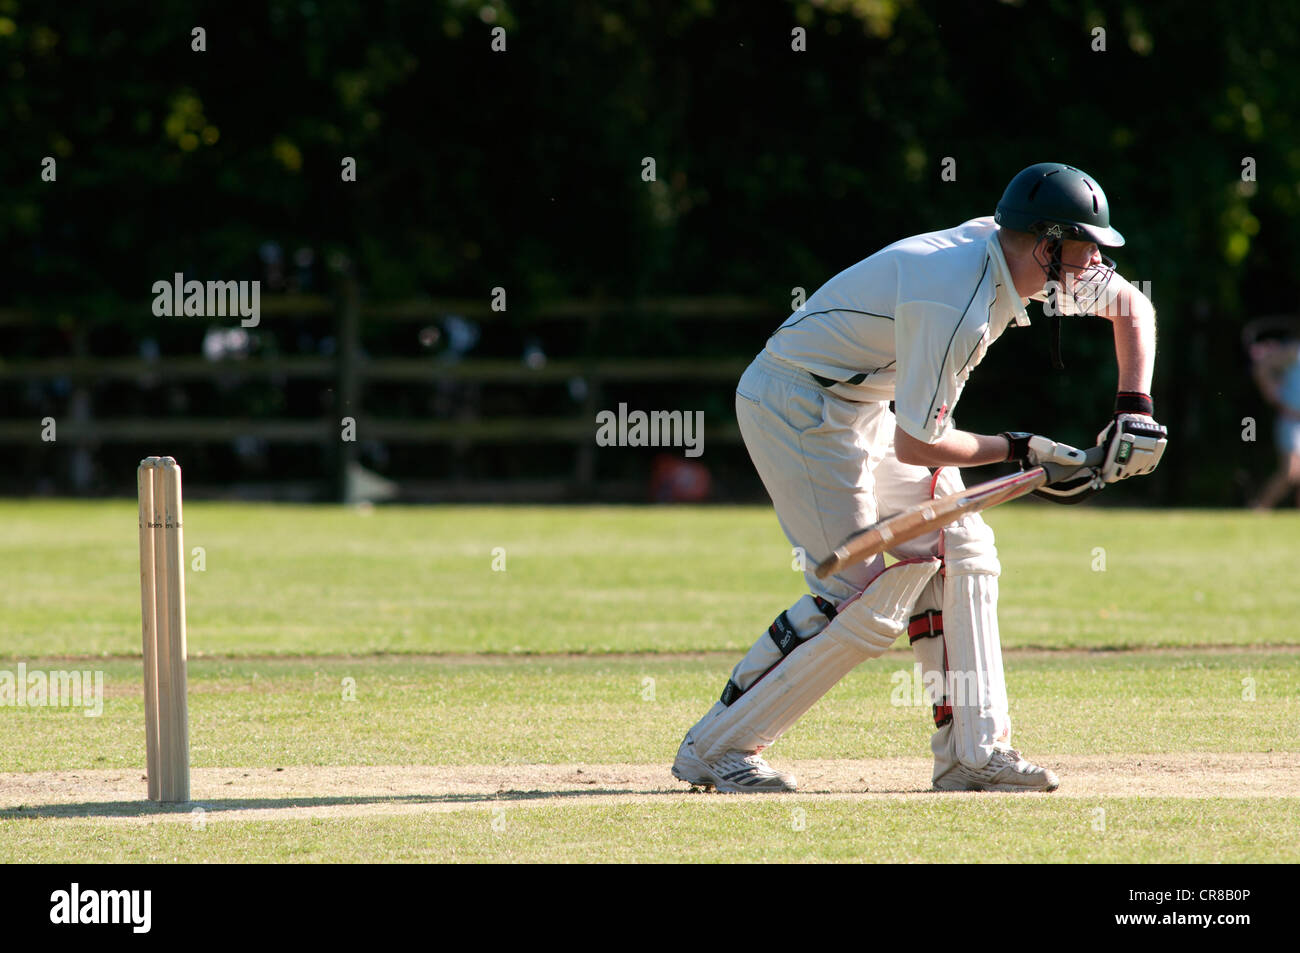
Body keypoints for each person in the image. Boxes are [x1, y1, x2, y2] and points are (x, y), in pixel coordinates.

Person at [671, 163, 1167, 793]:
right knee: (863, 591)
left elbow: (1132, 304)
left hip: (860, 403)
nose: (1095, 261)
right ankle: (718, 748)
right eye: (1084, 246)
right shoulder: (953, 299)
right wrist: (1024, 449)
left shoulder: (1015, 256)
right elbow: (919, 443)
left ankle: (972, 755)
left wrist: (1135, 409)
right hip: (797, 406)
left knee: (962, 549)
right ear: (1045, 242)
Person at [1249, 338, 1300, 509]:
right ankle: (1259, 507)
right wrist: (1274, 396)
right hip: (1291, 420)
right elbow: (1261, 369)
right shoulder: (1294, 351)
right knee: (1290, 471)